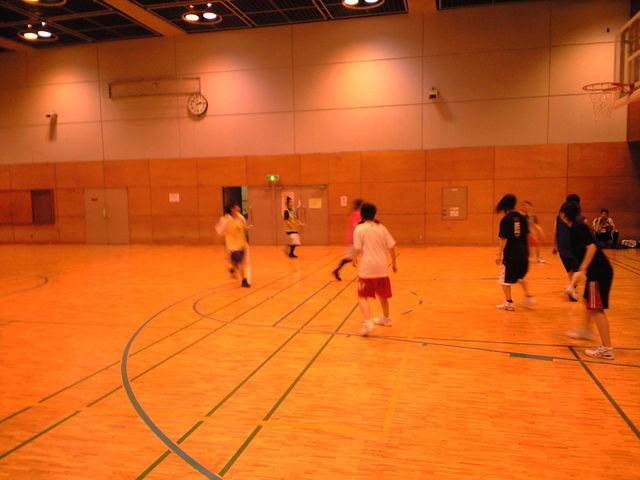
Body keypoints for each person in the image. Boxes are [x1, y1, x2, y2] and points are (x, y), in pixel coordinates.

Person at [561, 201, 615, 360]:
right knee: (588, 301)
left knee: (597, 309)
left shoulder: (577, 228)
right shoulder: (577, 227)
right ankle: (586, 331)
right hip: (597, 271)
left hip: (598, 272)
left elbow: (591, 248)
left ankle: (607, 349)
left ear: (564, 215)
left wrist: (582, 269)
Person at [353, 203, 397, 336]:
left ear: (362, 214)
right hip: (382, 268)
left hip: (367, 268)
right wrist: (394, 263)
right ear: (374, 214)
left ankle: (368, 322)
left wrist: (354, 258)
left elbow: (357, 248)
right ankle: (386, 318)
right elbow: (391, 247)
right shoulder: (382, 228)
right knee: (383, 295)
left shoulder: (359, 229)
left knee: (362, 296)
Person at [495, 194, 534, 311]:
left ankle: (509, 303)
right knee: (519, 276)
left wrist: (499, 254)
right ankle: (529, 296)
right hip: (522, 252)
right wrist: (529, 251)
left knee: (503, 279)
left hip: (511, 254)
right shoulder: (522, 217)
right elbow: (527, 235)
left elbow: (504, 239)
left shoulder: (506, 219)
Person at [553, 194, 585, 301]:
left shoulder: (559, 217)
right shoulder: (580, 219)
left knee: (570, 270)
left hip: (562, 248)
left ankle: (573, 287)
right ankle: (572, 287)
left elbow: (555, 231)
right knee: (579, 270)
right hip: (573, 248)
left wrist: (555, 246)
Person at [218, 201, 251, 288]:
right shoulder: (225, 220)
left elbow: (242, 227)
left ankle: (233, 268)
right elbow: (218, 231)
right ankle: (244, 281)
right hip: (232, 246)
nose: (239, 208)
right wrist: (216, 244)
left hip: (242, 244)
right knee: (241, 263)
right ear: (232, 209)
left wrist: (247, 228)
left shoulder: (240, 217)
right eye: (237, 207)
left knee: (239, 262)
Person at [332, 199, 363, 281]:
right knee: (352, 257)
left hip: (352, 238)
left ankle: (337, 270)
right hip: (354, 239)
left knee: (353, 257)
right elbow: (355, 225)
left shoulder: (352, 213)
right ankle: (337, 270)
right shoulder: (357, 214)